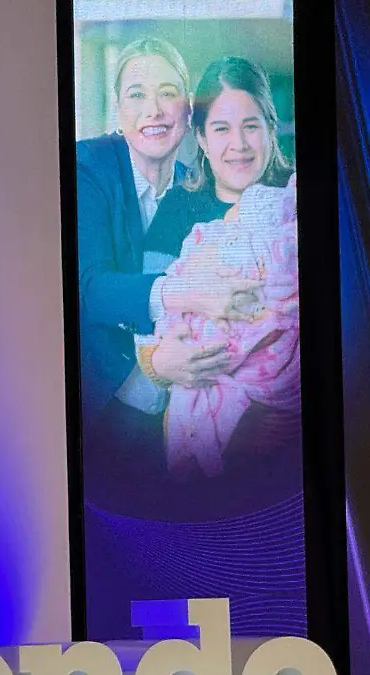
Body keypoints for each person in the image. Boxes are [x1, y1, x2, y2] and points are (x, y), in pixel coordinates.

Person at [76, 36, 254, 491]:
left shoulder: (196, 190)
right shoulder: (86, 166)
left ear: (188, 110)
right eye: (137, 95)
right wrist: (185, 294)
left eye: (167, 93)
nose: (153, 110)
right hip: (99, 411)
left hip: (177, 416)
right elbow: (89, 289)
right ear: (118, 110)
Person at [138, 56, 299, 485]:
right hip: (199, 422)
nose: (239, 145)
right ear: (202, 139)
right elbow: (145, 325)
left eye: (251, 126)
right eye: (222, 129)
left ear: (271, 127)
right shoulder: (176, 212)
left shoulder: (295, 202)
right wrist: (159, 364)